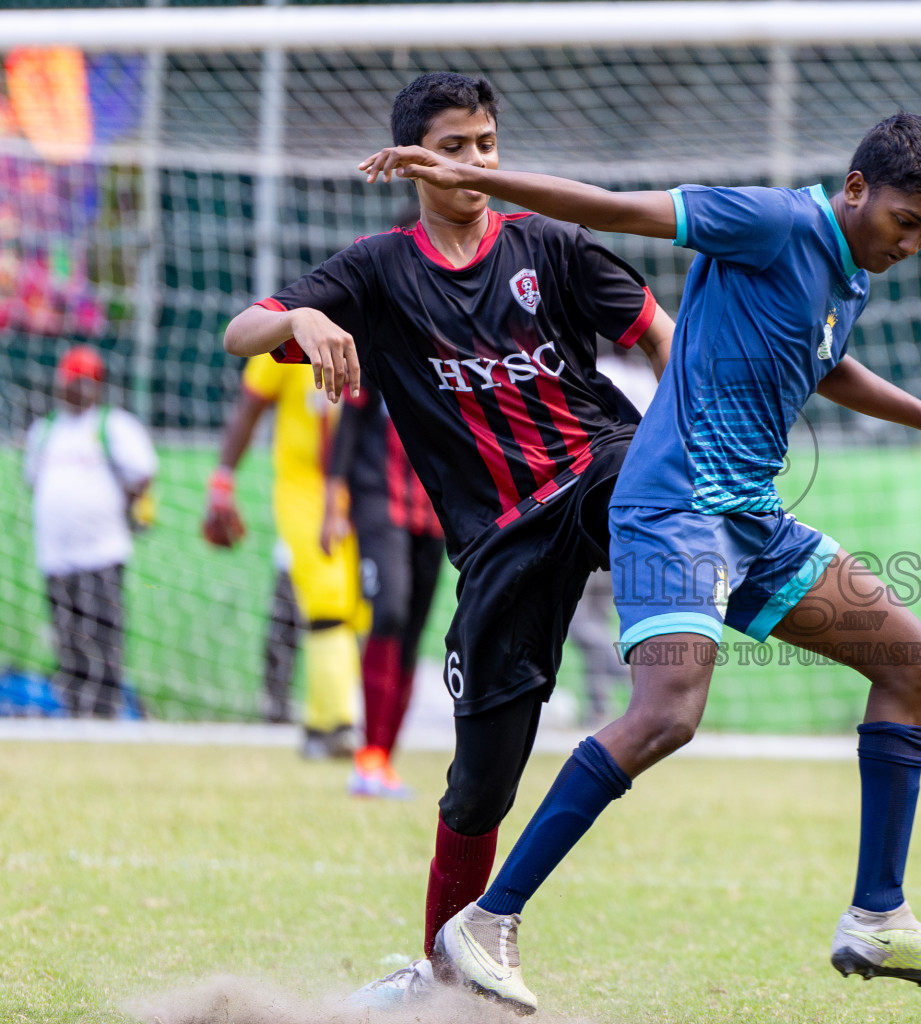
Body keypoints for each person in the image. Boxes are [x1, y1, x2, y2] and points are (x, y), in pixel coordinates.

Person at [357, 111, 921, 1010]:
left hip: (749, 521)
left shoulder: (847, 269)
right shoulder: (774, 222)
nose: (911, 243)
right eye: (904, 222)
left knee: (911, 666)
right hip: (673, 509)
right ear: (857, 190)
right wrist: (484, 185)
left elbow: (826, 364)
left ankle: (877, 915)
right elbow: (607, 207)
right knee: (667, 714)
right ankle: (485, 923)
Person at [220, 72, 675, 1006]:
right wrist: (303, 316)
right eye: (455, 146)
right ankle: (439, 979)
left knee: (670, 490)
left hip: (595, 471)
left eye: (488, 144)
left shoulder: (552, 243)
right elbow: (241, 332)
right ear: (411, 160)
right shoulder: (379, 270)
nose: (475, 162)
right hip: (500, 548)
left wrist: (683, 442)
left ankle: (890, 648)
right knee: (476, 796)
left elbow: (661, 337)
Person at [203, 349, 366, 757]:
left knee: (358, 609)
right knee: (327, 599)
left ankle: (317, 725)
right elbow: (250, 406)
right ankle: (337, 724)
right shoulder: (288, 340)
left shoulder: (378, 329)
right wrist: (223, 481)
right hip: (304, 491)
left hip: (361, 492)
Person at [321, 385, 446, 798]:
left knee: (412, 631)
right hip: (378, 499)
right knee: (388, 612)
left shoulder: (457, 348)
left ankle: (382, 761)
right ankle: (369, 756)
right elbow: (351, 422)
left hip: (436, 509)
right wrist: (333, 502)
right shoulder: (380, 339)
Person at [23, 345, 157, 718]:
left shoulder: (112, 425)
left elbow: (143, 473)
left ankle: (106, 711)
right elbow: (33, 481)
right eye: (73, 382)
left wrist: (124, 506)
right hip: (56, 558)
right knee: (68, 638)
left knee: (103, 638)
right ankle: (76, 710)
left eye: (88, 382)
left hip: (102, 553)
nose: (80, 389)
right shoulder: (45, 430)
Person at [568, 345, 657, 728]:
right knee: (599, 618)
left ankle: (625, 674)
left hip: (593, 508)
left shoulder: (599, 372)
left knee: (576, 621)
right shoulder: (651, 380)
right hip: (637, 515)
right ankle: (599, 707)